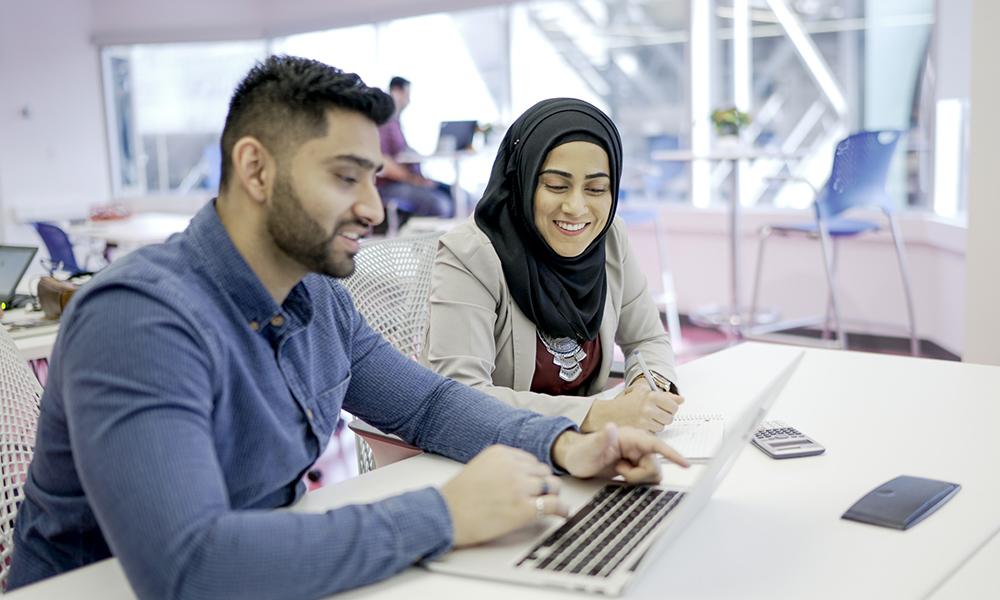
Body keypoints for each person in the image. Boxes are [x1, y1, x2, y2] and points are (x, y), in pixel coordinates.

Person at [6, 57, 688, 599]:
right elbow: (190, 569)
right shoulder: (140, 321)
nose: (371, 207)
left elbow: (428, 404)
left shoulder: (317, 299)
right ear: (256, 169)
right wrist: (447, 514)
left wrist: (568, 445)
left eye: (372, 178)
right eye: (345, 177)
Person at [420, 98, 683, 435]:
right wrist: (599, 414)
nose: (576, 207)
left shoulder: (608, 237)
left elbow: (647, 340)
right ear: (523, 180)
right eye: (556, 186)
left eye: (597, 189)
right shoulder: (470, 255)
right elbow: (461, 401)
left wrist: (648, 388)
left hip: (583, 456)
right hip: (486, 460)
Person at [375, 76, 453, 224]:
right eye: (407, 96)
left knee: (454, 193)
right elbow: (382, 161)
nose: (408, 101)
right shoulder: (383, 121)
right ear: (396, 91)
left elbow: (403, 152)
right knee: (442, 205)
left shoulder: (396, 122)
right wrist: (412, 179)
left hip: (408, 180)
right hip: (390, 185)